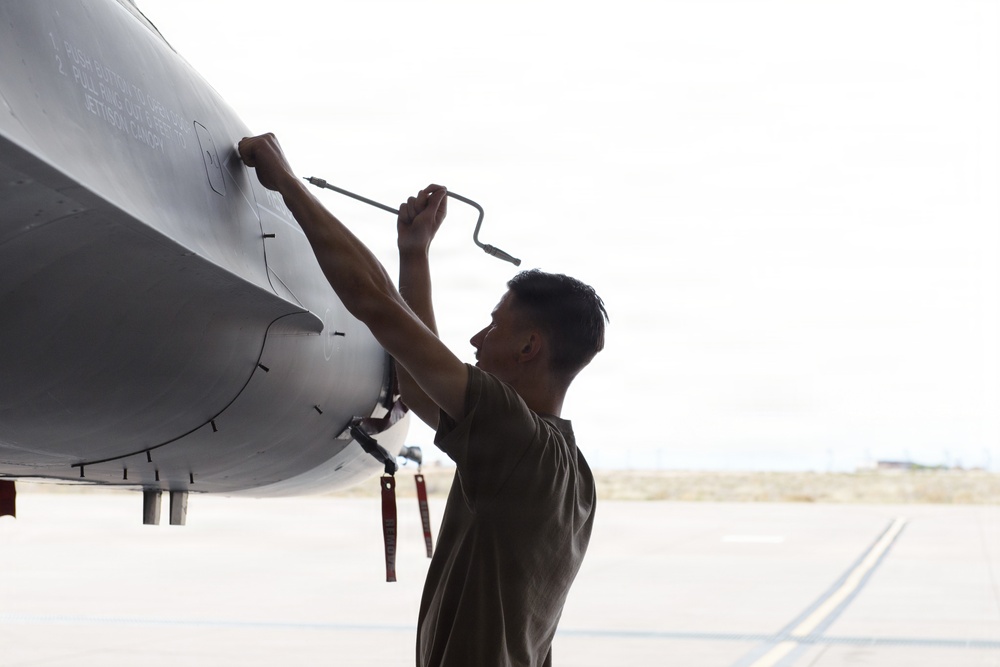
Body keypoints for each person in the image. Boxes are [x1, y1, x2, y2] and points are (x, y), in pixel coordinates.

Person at [238, 133, 608, 666]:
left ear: (530, 346)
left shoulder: (519, 439)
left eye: (494, 325)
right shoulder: (567, 470)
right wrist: (414, 256)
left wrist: (288, 186)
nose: (478, 340)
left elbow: (376, 305)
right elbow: (416, 383)